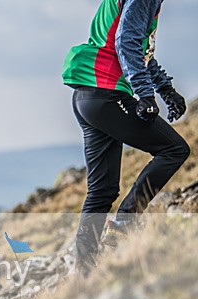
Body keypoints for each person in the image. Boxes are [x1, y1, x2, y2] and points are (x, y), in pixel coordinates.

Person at [62, 0, 191, 276]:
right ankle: (124, 224)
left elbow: (139, 49)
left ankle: (84, 275)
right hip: (107, 92)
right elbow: (126, 40)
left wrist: (165, 89)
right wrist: (145, 93)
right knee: (174, 150)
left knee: (102, 191)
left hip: (87, 97)